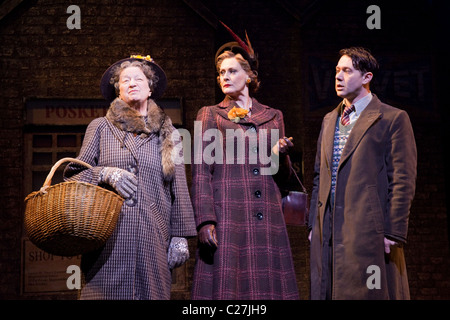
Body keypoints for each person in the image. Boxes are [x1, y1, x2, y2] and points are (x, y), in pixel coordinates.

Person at [63, 55, 197, 300]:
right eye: (125, 80)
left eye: (139, 78)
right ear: (118, 91)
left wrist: (180, 236)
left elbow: (179, 189)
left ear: (150, 87)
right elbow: (74, 175)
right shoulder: (101, 127)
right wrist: (105, 173)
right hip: (108, 235)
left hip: (153, 234)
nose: (132, 83)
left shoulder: (170, 133)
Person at [191, 23, 299, 300]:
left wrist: (279, 154)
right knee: (230, 287)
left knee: (266, 287)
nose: (224, 77)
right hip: (228, 214)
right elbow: (201, 172)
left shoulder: (273, 115)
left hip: (267, 214)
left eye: (232, 71)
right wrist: (205, 221)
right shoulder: (211, 115)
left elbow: (282, 176)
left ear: (249, 76)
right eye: (221, 73)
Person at [308, 47, 417, 300]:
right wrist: (314, 223)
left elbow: (402, 180)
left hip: (369, 230)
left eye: (346, 70)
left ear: (367, 77)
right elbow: (318, 176)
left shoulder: (392, 118)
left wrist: (393, 231)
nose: (338, 76)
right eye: (336, 70)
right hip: (329, 230)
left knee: (369, 292)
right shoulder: (329, 120)